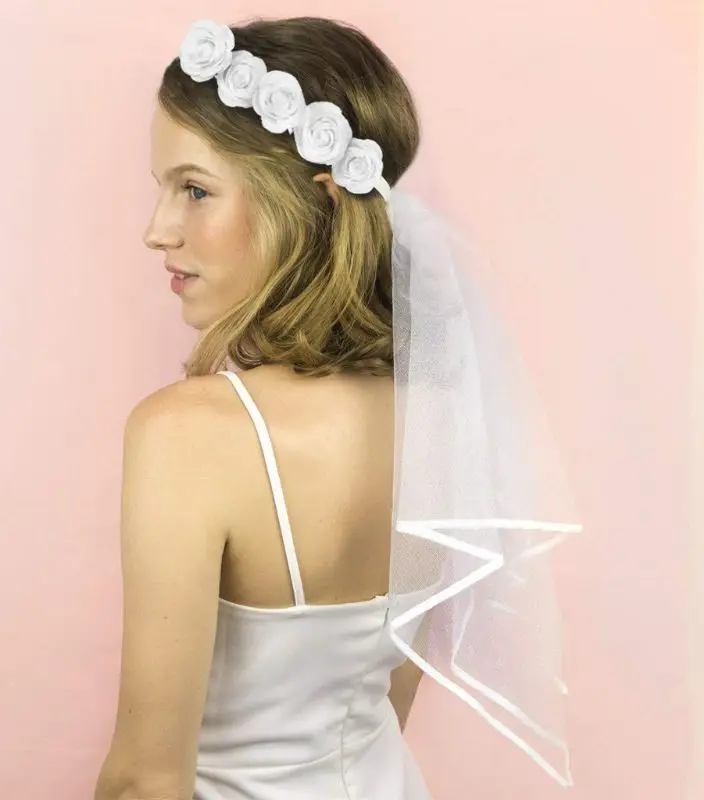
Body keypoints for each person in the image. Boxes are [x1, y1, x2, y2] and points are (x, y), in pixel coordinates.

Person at [94, 15, 580, 800]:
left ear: (316, 203)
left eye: (195, 190)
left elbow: (145, 782)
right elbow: (392, 696)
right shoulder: (437, 418)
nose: (158, 231)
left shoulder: (189, 435)